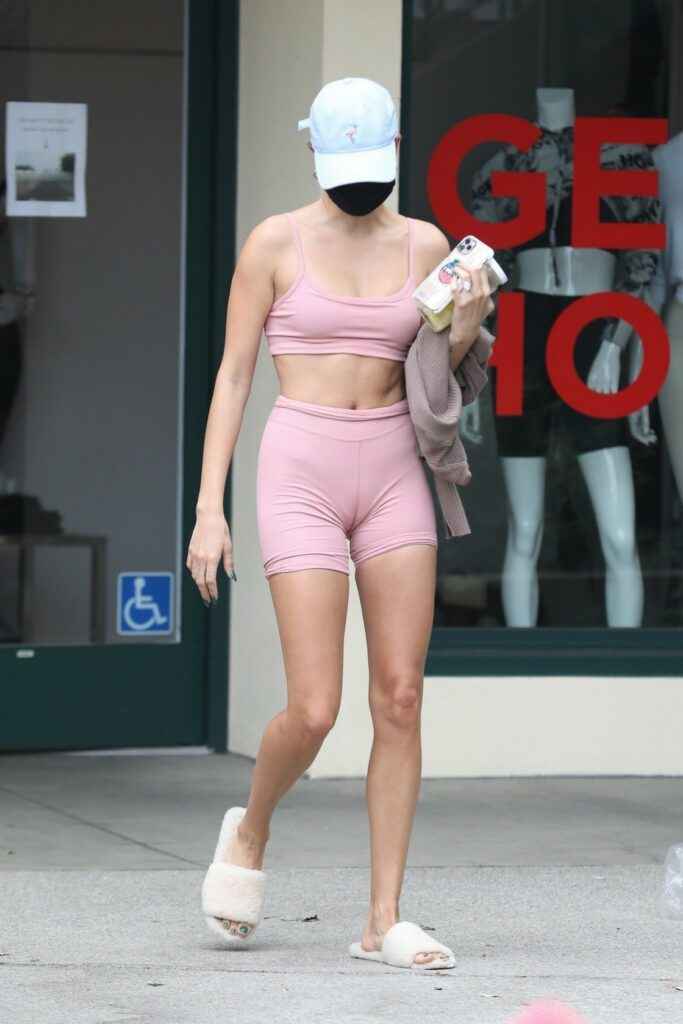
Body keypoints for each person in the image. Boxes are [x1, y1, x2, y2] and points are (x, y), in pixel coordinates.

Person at [187, 77, 492, 970]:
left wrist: (469, 322)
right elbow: (233, 377)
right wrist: (208, 509)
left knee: (399, 695)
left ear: (394, 151)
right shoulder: (273, 242)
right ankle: (253, 825)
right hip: (301, 470)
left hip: (394, 467)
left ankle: (382, 919)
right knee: (314, 708)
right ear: (315, 155)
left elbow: (441, 373)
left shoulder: (426, 244)